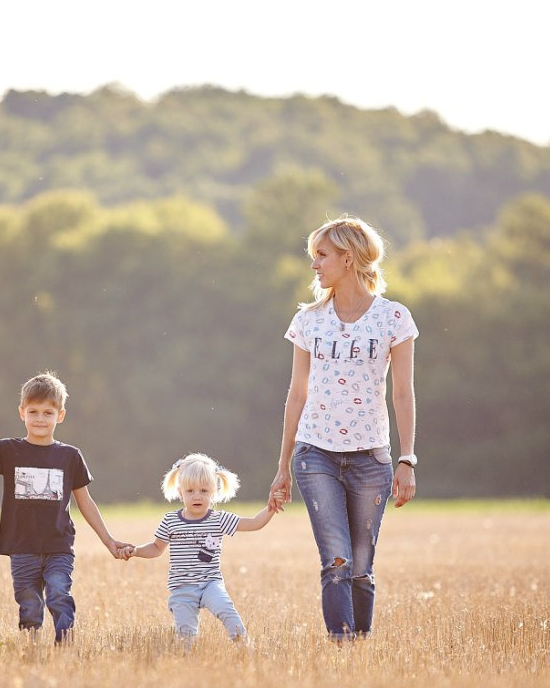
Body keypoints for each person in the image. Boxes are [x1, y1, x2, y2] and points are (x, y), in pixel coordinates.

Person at [268, 215, 418, 642]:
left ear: (347, 258)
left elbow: (403, 393)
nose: (314, 264)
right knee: (336, 560)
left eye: (322, 255)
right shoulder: (309, 321)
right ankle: (341, 643)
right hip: (315, 454)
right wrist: (282, 467)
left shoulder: (393, 318)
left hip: (371, 458)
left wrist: (406, 459)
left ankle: (359, 646)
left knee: (360, 567)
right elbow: (296, 395)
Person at [0, 372, 131, 643]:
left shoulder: (70, 456)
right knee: (29, 604)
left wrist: (109, 541)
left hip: (59, 546)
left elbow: (85, 503)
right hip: (22, 547)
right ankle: (31, 649)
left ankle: (64, 644)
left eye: (48, 412)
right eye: (33, 411)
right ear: (21, 412)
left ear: (60, 415)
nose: (40, 419)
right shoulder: (6, 450)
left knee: (59, 594)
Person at [129, 453, 279, 643]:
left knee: (227, 610)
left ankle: (246, 649)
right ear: (180, 492)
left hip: (210, 584)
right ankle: (186, 659)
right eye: (190, 491)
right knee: (185, 636)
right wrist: (135, 551)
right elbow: (156, 548)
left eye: (204, 490)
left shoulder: (218, 519)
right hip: (182, 588)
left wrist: (271, 508)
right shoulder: (171, 521)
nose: (197, 496)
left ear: (214, 492)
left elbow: (254, 523)